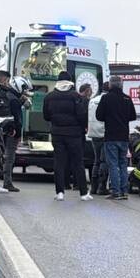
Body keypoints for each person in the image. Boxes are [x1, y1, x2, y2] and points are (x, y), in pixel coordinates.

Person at [42, 70, 90, 201]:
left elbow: (46, 116)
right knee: (78, 162)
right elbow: (81, 115)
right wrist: (83, 127)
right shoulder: (76, 96)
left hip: (57, 133)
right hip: (74, 134)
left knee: (59, 162)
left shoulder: (49, 96)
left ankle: (60, 192)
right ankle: (83, 193)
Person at [95, 76, 136, 200]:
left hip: (111, 136)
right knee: (123, 163)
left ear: (111, 85)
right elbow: (133, 116)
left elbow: (99, 116)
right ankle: (124, 191)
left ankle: (116, 191)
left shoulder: (106, 98)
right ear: (121, 85)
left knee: (113, 164)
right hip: (124, 136)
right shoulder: (127, 99)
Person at [0, 70, 25, 192]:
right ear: (5, 80)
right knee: (9, 157)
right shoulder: (11, 95)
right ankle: (7, 182)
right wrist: (17, 131)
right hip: (11, 130)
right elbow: (17, 117)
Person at [87, 82, 110, 195]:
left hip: (93, 133)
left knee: (96, 161)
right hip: (104, 133)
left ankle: (93, 187)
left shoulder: (92, 100)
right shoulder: (107, 100)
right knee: (104, 161)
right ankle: (102, 186)